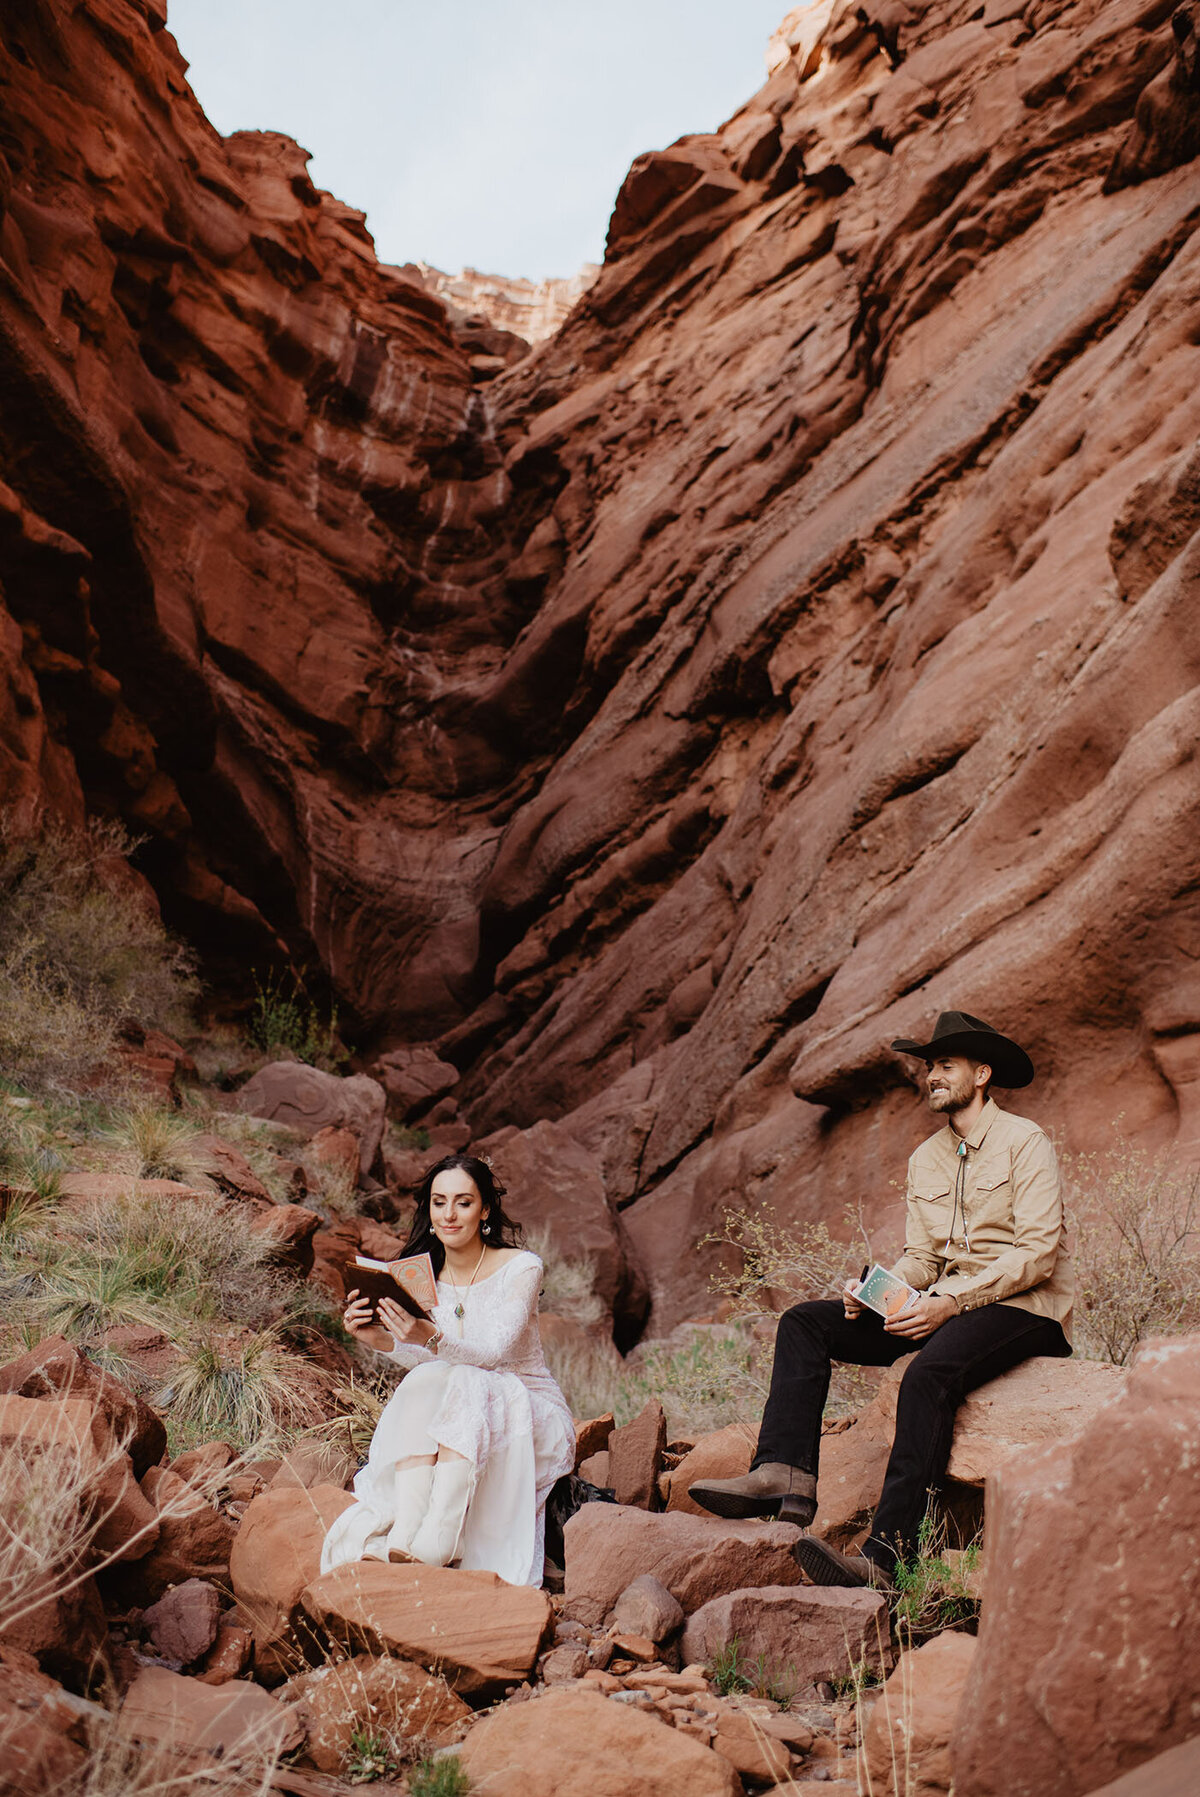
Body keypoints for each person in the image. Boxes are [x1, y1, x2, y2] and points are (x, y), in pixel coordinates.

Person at [689, 1011, 1074, 1590]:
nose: (932, 1076)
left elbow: (1038, 1253)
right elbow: (923, 1254)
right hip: (943, 1302)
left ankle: (887, 1560)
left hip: (1024, 1309)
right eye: (928, 1067)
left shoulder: (1025, 1141)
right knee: (805, 1323)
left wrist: (949, 1301)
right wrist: (877, 1292)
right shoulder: (927, 1158)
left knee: (926, 1377)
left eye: (945, 1065)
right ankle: (785, 1475)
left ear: (982, 1072)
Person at [321, 1153, 576, 1588]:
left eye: (463, 1202)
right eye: (439, 1203)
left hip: (529, 1412)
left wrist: (429, 1336)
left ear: (485, 1210)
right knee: (427, 1378)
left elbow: (493, 1354)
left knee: (468, 1376)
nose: (449, 1215)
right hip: (465, 1404)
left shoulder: (521, 1267)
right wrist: (381, 1341)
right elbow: (432, 1361)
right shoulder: (423, 1276)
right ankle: (410, 1531)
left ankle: (441, 1534)